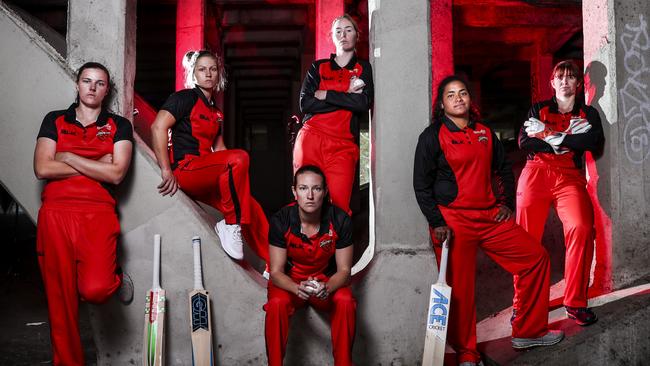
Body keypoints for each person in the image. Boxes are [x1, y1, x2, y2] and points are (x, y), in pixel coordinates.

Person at [413, 76, 564, 365]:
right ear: (441, 104)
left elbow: (503, 169)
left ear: (470, 99)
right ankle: (468, 355)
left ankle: (529, 331)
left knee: (535, 258)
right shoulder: (432, 136)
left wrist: (506, 203)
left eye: (463, 93)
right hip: (454, 221)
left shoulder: (484, 132)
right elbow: (421, 184)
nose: (458, 99)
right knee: (461, 291)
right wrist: (437, 221)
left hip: (490, 217)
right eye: (450, 95)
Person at [33, 62, 134, 366]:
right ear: (77, 85)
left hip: (97, 214)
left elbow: (116, 174)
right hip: (56, 215)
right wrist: (96, 163)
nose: (92, 87)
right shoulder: (54, 120)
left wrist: (67, 156)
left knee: (96, 288)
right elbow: (42, 168)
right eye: (87, 81)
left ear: (107, 89)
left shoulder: (119, 125)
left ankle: (115, 275)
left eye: (99, 83)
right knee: (61, 303)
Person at [150, 50, 268, 263]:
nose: (208, 74)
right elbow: (158, 127)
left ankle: (273, 264)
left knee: (250, 206)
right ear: (193, 73)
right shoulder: (184, 98)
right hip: (185, 170)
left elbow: (220, 150)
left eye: (213, 69)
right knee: (240, 157)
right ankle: (230, 224)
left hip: (208, 172)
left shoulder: (216, 112)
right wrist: (166, 170)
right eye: (202, 69)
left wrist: (238, 180)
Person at [517, 60, 604, 326]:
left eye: (571, 77)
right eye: (560, 77)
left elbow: (593, 142)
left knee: (581, 226)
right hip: (536, 172)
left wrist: (551, 135)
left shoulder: (588, 113)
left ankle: (575, 302)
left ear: (579, 84)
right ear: (552, 83)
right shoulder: (538, 108)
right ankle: (523, 306)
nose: (565, 81)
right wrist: (565, 140)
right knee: (525, 238)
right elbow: (524, 141)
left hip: (569, 176)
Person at [264, 165, 356, 366]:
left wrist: (328, 287)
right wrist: (296, 288)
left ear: (325, 191)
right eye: (304, 188)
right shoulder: (281, 220)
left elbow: (344, 271)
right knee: (276, 305)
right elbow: (276, 272)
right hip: (291, 282)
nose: (310, 195)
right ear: (294, 192)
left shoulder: (340, 220)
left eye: (317, 189)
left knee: (346, 301)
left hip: (325, 281)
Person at [294, 14, 373, 214]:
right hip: (311, 138)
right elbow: (305, 103)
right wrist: (346, 97)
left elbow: (363, 102)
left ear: (357, 35)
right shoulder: (318, 67)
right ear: (332, 36)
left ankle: (334, 245)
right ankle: (306, 245)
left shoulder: (363, 68)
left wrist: (327, 94)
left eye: (348, 30)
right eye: (338, 31)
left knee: (339, 208)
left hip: (343, 146)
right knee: (307, 205)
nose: (343, 35)